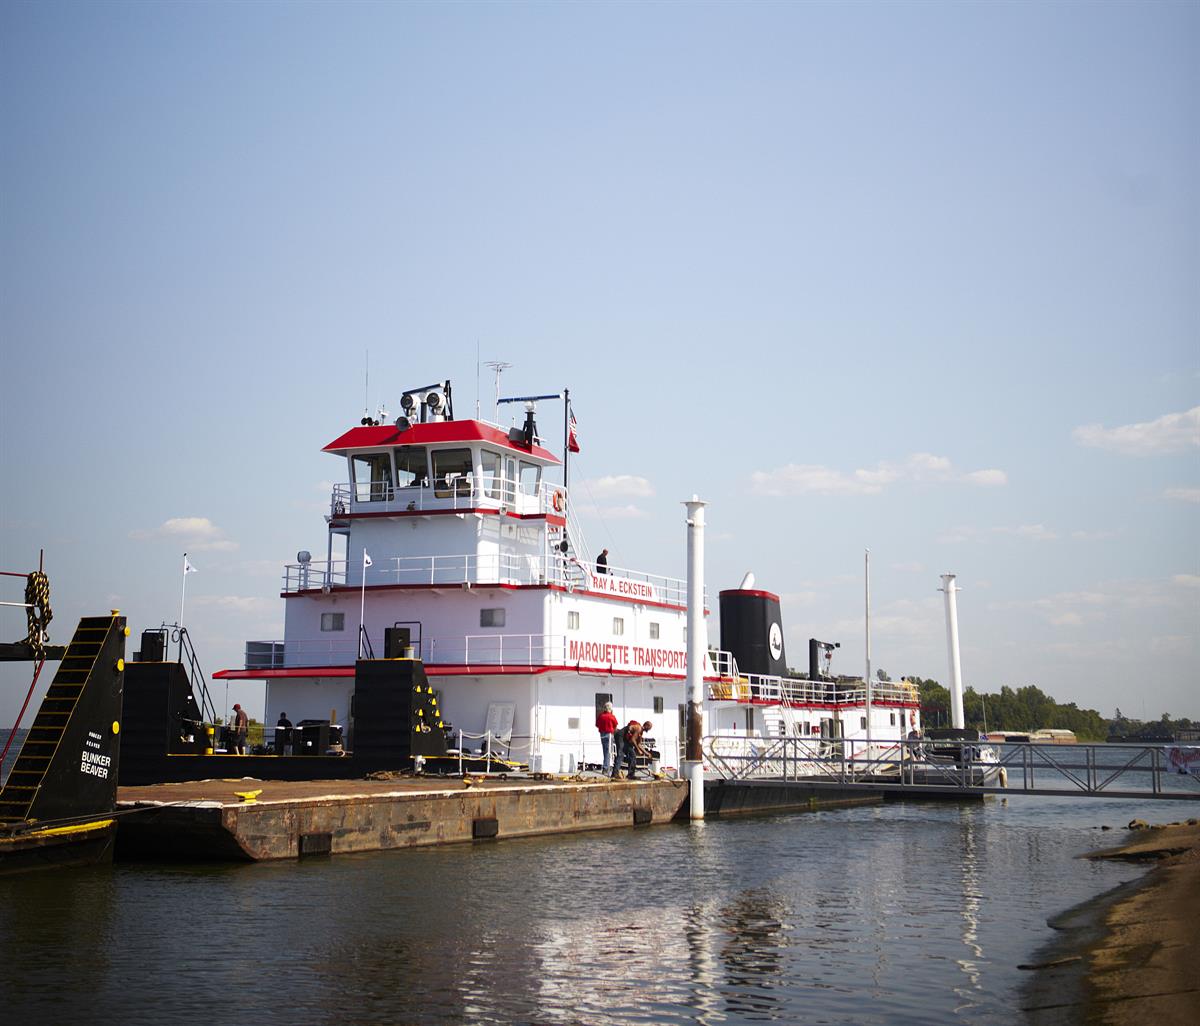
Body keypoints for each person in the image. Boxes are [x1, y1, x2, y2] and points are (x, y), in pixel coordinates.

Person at [596, 701, 618, 774]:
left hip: (602, 735)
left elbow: (597, 724)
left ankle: (606, 767)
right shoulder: (612, 716)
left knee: (605, 752)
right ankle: (606, 768)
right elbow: (615, 725)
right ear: (610, 708)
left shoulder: (601, 716)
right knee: (608, 752)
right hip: (609, 735)